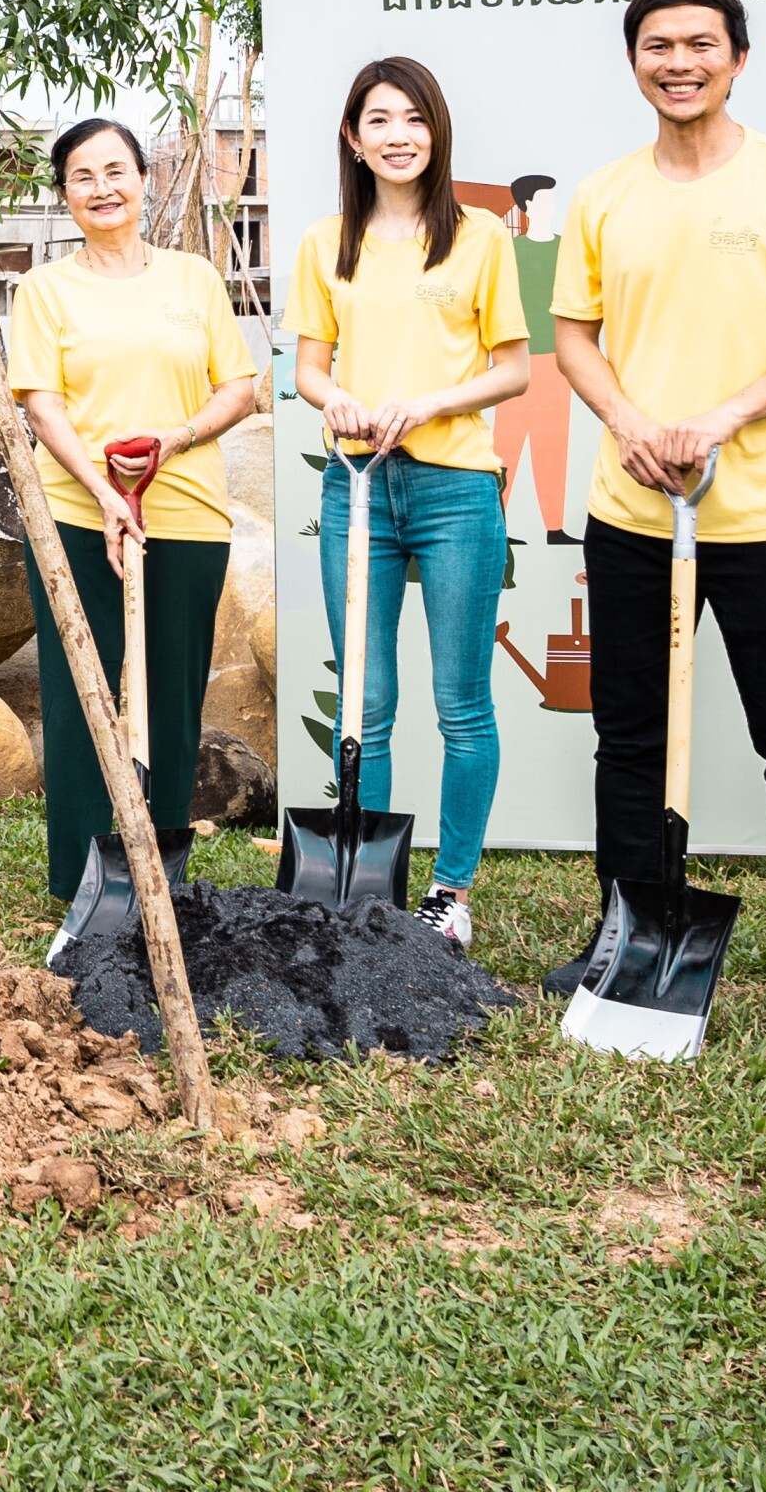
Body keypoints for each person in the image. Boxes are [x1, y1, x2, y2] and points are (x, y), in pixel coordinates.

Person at [549, 0, 766, 1042]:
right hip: (634, 509)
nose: (678, 60)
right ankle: (631, 929)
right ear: (634, 61)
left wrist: (724, 415)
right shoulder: (603, 194)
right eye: (658, 45)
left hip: (763, 514)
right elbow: (572, 336)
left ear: (738, 57)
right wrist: (635, 422)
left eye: (700, 43)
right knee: (628, 739)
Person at [286, 57, 529, 951]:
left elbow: (513, 367)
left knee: (461, 702)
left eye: (412, 118)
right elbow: (310, 365)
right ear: (352, 137)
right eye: (377, 119)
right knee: (364, 702)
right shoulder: (325, 243)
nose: (396, 134)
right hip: (354, 488)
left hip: (453, 487)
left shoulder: (478, 239)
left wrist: (428, 403)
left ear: (436, 131)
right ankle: (370, 892)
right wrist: (332, 398)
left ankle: (450, 891)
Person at [4, 116, 261, 916]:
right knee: (81, 686)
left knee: (173, 696)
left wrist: (174, 440)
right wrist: (107, 493)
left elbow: (238, 388)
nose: (102, 188)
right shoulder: (45, 289)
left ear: (144, 179)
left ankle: (159, 865)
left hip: (184, 511)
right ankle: (81, 877)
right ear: (63, 194)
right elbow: (42, 406)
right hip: (76, 513)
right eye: (82, 176)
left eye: (116, 170)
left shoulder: (193, 280)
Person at [491, 173, 578, 542]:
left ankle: (554, 527)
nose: (553, 206)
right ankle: (496, 524)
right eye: (545, 199)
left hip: (558, 360)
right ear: (527, 206)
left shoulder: (567, 249)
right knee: (504, 447)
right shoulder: (510, 252)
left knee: (553, 445)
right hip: (516, 359)